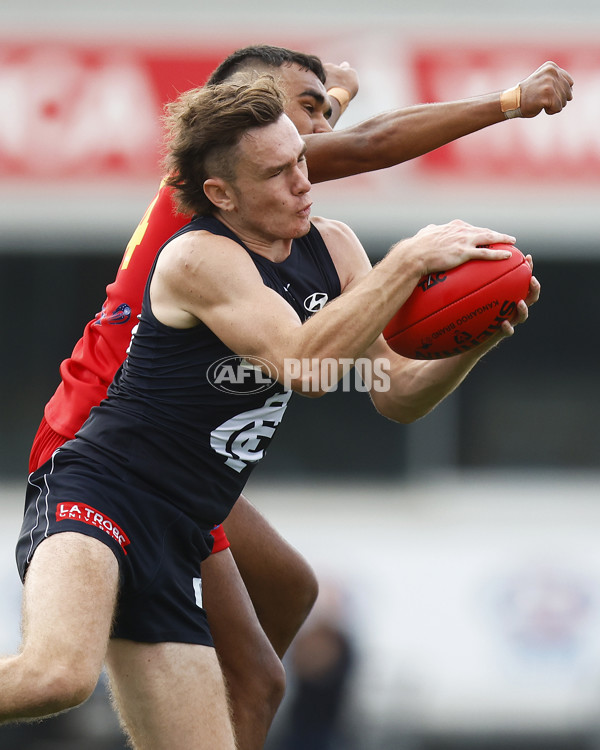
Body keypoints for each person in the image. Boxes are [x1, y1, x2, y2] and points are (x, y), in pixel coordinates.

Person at [25, 45, 573, 748]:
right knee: (66, 677)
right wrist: (507, 103)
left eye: (321, 117)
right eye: (304, 112)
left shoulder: (300, 212)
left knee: (280, 613)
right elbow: (305, 355)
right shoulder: (205, 216)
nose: (313, 146)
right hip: (95, 443)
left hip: (184, 483)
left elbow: (394, 388)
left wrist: (477, 338)